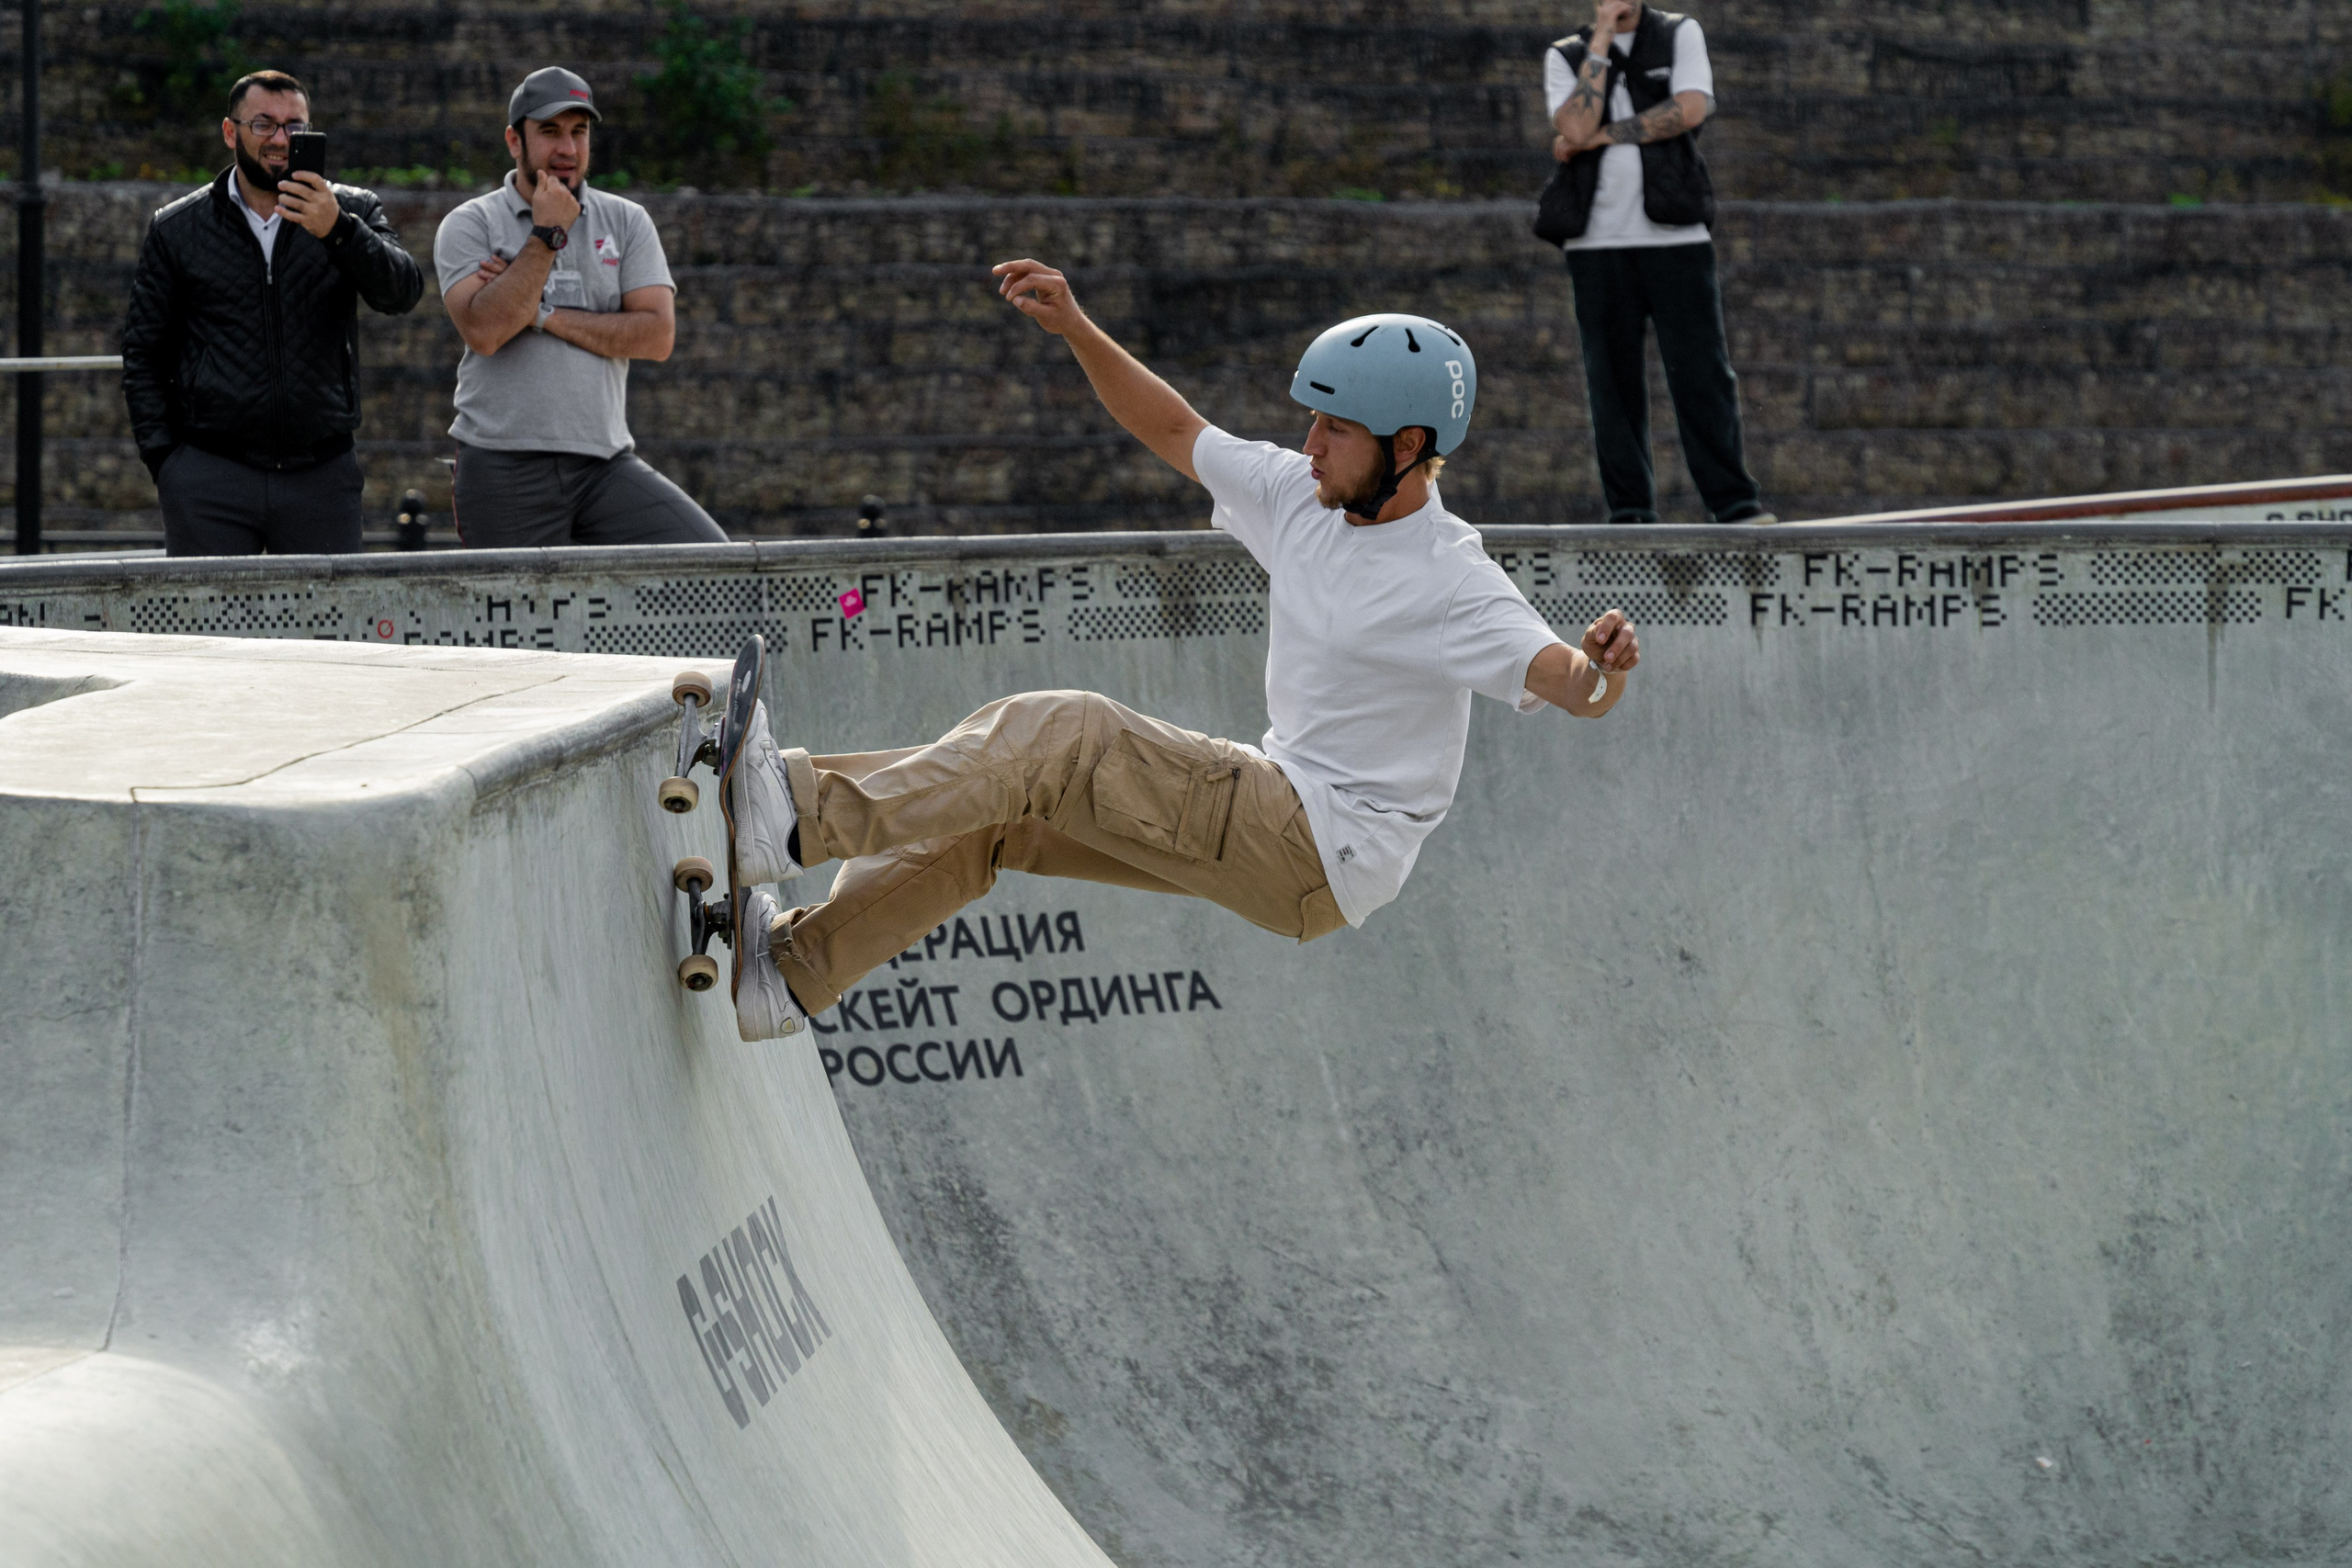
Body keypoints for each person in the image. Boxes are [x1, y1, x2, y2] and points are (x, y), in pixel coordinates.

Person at [715, 258, 1645, 1042]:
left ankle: (793, 816)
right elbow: (1172, 427)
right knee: (1000, 809)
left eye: (1334, 429)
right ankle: (792, 974)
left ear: (1407, 447)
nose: (1308, 443)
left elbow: (1567, 683)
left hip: (1319, 841)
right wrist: (1076, 326)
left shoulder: (1450, 577)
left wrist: (1599, 667)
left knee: (1061, 733)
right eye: (1308, 420)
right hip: (1289, 820)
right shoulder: (1297, 493)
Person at [120, 70, 424, 555]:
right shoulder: (177, 228)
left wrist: (338, 231)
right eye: (263, 125)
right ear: (230, 132)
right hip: (210, 476)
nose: (281, 140)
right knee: (206, 631)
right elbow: (143, 351)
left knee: (323, 631)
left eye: (295, 127)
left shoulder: (353, 211)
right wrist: (167, 463)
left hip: (321, 475)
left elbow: (403, 292)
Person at [434, 67, 727, 547]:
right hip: (503, 465)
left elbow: (657, 336)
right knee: (521, 622)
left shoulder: (627, 220)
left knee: (713, 567)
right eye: (549, 132)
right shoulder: (470, 223)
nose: (567, 149)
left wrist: (540, 313)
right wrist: (546, 234)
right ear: (514, 140)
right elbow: (485, 331)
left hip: (605, 465)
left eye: (579, 131)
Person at [1545, 1, 1774, 525]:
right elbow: (1573, 126)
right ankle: (1629, 511)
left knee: (1702, 373)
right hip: (1595, 242)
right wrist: (1601, 38)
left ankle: (1734, 504)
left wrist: (1604, 135)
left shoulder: (1677, 34)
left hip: (1675, 234)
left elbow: (1691, 108)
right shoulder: (1568, 54)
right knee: (1611, 382)